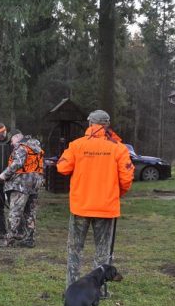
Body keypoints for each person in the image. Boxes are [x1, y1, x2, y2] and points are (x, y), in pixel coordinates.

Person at [56, 110, 134, 289]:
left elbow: (62, 167)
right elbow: (127, 178)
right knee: (103, 253)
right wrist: (115, 193)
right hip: (106, 208)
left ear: (90, 124)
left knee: (74, 250)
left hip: (80, 207)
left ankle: (72, 288)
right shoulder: (118, 148)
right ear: (107, 125)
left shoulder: (76, 145)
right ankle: (100, 290)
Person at [0, 129, 45, 247]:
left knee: (15, 212)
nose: (11, 143)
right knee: (30, 212)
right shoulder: (36, 146)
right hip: (35, 184)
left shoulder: (21, 147)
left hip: (21, 184)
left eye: (12, 140)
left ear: (17, 136)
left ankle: (9, 239)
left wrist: (4, 174)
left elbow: (17, 163)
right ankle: (30, 239)